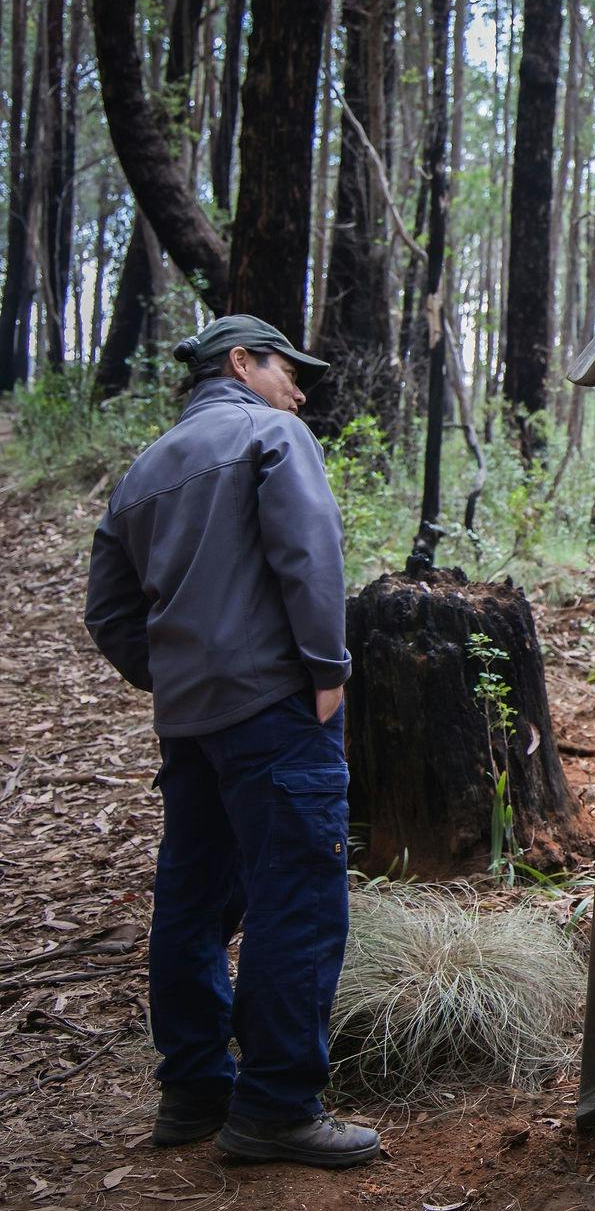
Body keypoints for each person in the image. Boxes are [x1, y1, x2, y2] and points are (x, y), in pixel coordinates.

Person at [83, 315, 379, 1169]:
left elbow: (107, 610)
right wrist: (327, 666)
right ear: (241, 362)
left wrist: (175, 674)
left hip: (191, 720)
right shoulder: (271, 435)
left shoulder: (144, 469)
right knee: (298, 894)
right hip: (277, 706)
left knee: (194, 896)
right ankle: (277, 1105)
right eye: (290, 371)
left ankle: (193, 1090)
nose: (300, 391)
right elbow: (308, 551)